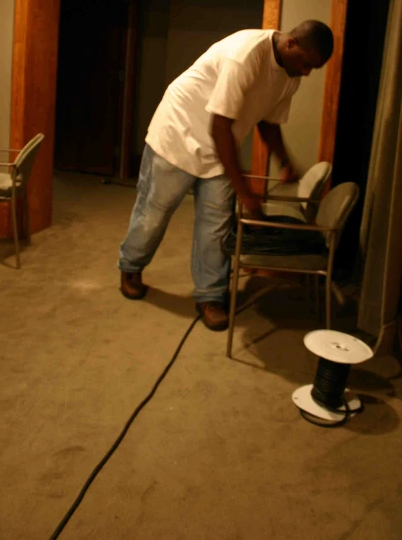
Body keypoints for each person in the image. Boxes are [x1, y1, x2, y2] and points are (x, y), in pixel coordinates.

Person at [118, 20, 333, 331]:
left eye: (314, 67)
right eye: (306, 63)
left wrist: (285, 159)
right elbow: (219, 127)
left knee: (216, 226)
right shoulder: (244, 56)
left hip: (220, 145)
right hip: (178, 133)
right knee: (155, 211)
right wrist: (243, 189)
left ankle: (211, 296)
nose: (307, 71)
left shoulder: (290, 75)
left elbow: (268, 122)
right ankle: (130, 266)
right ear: (291, 44)